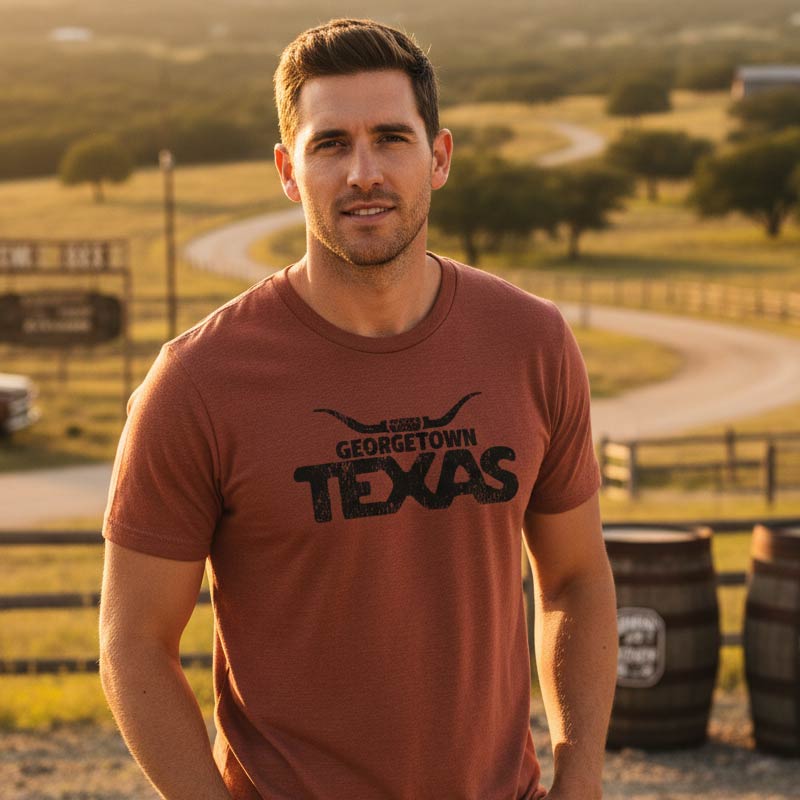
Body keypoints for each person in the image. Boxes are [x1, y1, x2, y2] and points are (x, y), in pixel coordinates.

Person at [99, 17, 617, 800]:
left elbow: (576, 576)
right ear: (287, 169)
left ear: (438, 158)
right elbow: (133, 643)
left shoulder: (530, 342)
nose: (363, 172)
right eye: (330, 144)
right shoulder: (197, 383)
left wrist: (580, 778)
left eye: (391, 138)